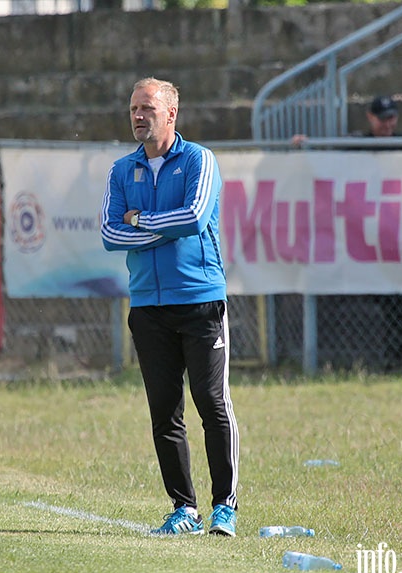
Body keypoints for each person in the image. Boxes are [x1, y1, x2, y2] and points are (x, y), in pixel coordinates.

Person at [100, 77, 239, 536]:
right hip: (148, 308)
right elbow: (109, 234)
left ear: (171, 114)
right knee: (165, 413)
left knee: (212, 404)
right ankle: (184, 509)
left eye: (147, 108)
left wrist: (140, 220)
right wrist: (164, 227)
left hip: (200, 301)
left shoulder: (200, 160)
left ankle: (225, 507)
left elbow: (195, 218)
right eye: (133, 107)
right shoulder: (122, 170)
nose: (139, 116)